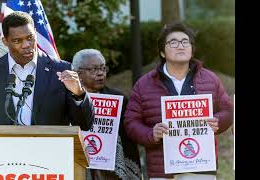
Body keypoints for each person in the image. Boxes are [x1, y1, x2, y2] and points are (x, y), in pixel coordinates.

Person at [124, 22, 233, 180]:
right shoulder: (144, 84)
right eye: (173, 42)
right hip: (162, 169)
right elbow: (130, 122)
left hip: (201, 166)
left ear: (191, 49)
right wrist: (150, 134)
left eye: (185, 42)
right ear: (162, 52)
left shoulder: (210, 79)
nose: (180, 46)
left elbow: (228, 111)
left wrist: (218, 121)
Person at [0, 11, 94, 131]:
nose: (26, 45)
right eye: (17, 41)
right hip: (5, 151)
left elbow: (85, 124)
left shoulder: (61, 70)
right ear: (5, 41)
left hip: (50, 151)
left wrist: (78, 94)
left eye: (30, 38)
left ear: (35, 33)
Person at [72, 49, 141, 180]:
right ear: (78, 73)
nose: (100, 74)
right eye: (93, 69)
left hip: (111, 171)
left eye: (103, 68)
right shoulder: (67, 99)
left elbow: (128, 141)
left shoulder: (118, 98)